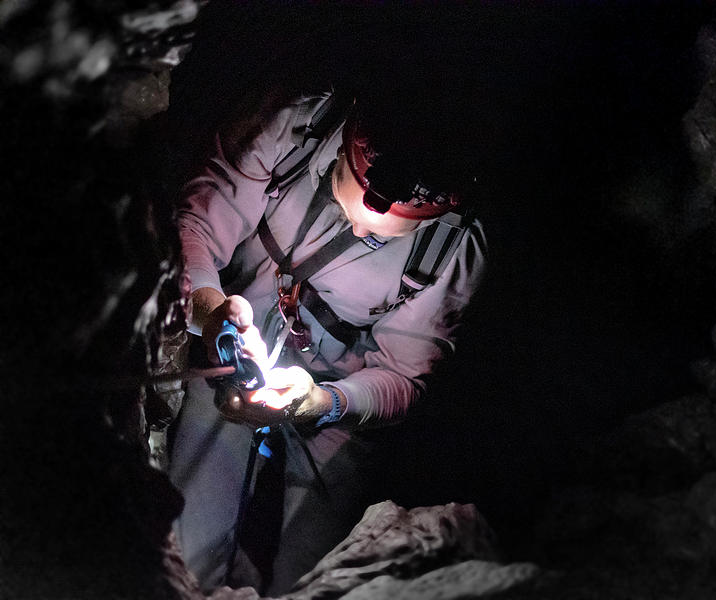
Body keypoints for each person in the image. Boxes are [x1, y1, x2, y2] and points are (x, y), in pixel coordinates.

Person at [165, 86, 487, 596]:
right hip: (230, 357)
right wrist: (212, 318)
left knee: (312, 578)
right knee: (185, 553)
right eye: (362, 209)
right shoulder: (291, 124)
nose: (366, 233)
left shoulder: (454, 246)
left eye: (388, 234)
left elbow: (404, 377)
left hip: (341, 399)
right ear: (349, 148)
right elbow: (196, 228)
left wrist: (322, 402)